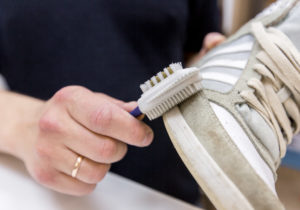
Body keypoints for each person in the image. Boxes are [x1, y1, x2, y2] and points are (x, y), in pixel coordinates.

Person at [0, 0, 224, 204]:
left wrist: (208, 64)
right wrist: (28, 124)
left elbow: (190, 56)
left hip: (171, 197)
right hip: (40, 197)